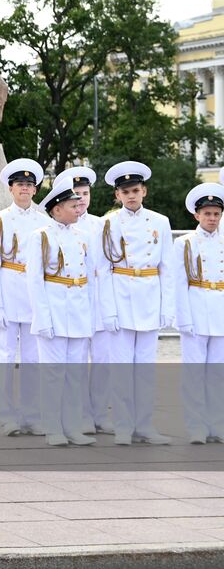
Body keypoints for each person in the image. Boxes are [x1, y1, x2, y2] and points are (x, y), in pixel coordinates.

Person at [98, 161, 174, 445]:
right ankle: (122, 426)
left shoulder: (160, 222)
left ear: (144, 191)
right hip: (120, 298)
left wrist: (168, 308)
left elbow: (167, 268)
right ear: (117, 195)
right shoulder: (108, 223)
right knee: (121, 369)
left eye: (135, 190)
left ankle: (144, 425)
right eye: (125, 191)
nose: (131, 196)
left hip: (149, 299)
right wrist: (108, 310)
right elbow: (102, 270)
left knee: (145, 369)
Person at [26, 174, 97, 447]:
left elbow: (89, 280)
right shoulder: (41, 237)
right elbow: (34, 281)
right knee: (54, 373)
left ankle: (73, 426)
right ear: (56, 209)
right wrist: (42, 319)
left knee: (75, 374)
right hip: (53, 314)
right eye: (72, 205)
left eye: (78, 204)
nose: (78, 208)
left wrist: (90, 316)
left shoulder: (82, 237)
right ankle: (53, 427)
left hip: (78, 313)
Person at [0, 157, 50, 436]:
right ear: (10, 189)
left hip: (33, 298)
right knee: (5, 358)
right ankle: (8, 416)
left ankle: (32, 415)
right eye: (19, 184)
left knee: (34, 361)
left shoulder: (44, 221)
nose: (24, 189)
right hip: (8, 294)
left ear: (35, 190)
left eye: (29, 185)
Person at [65, 166, 112, 433]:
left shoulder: (102, 225)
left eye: (84, 193)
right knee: (77, 362)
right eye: (76, 194)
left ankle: (100, 413)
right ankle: (80, 413)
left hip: (101, 302)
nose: (81, 199)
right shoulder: (61, 228)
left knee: (103, 361)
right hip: (77, 302)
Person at [177, 182, 224, 444]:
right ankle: (196, 426)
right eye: (207, 213)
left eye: (216, 214)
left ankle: (217, 425)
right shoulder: (185, 243)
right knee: (195, 373)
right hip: (195, 311)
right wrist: (183, 318)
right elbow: (179, 283)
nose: (212, 218)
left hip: (220, 313)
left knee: (218, 374)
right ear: (196, 215)